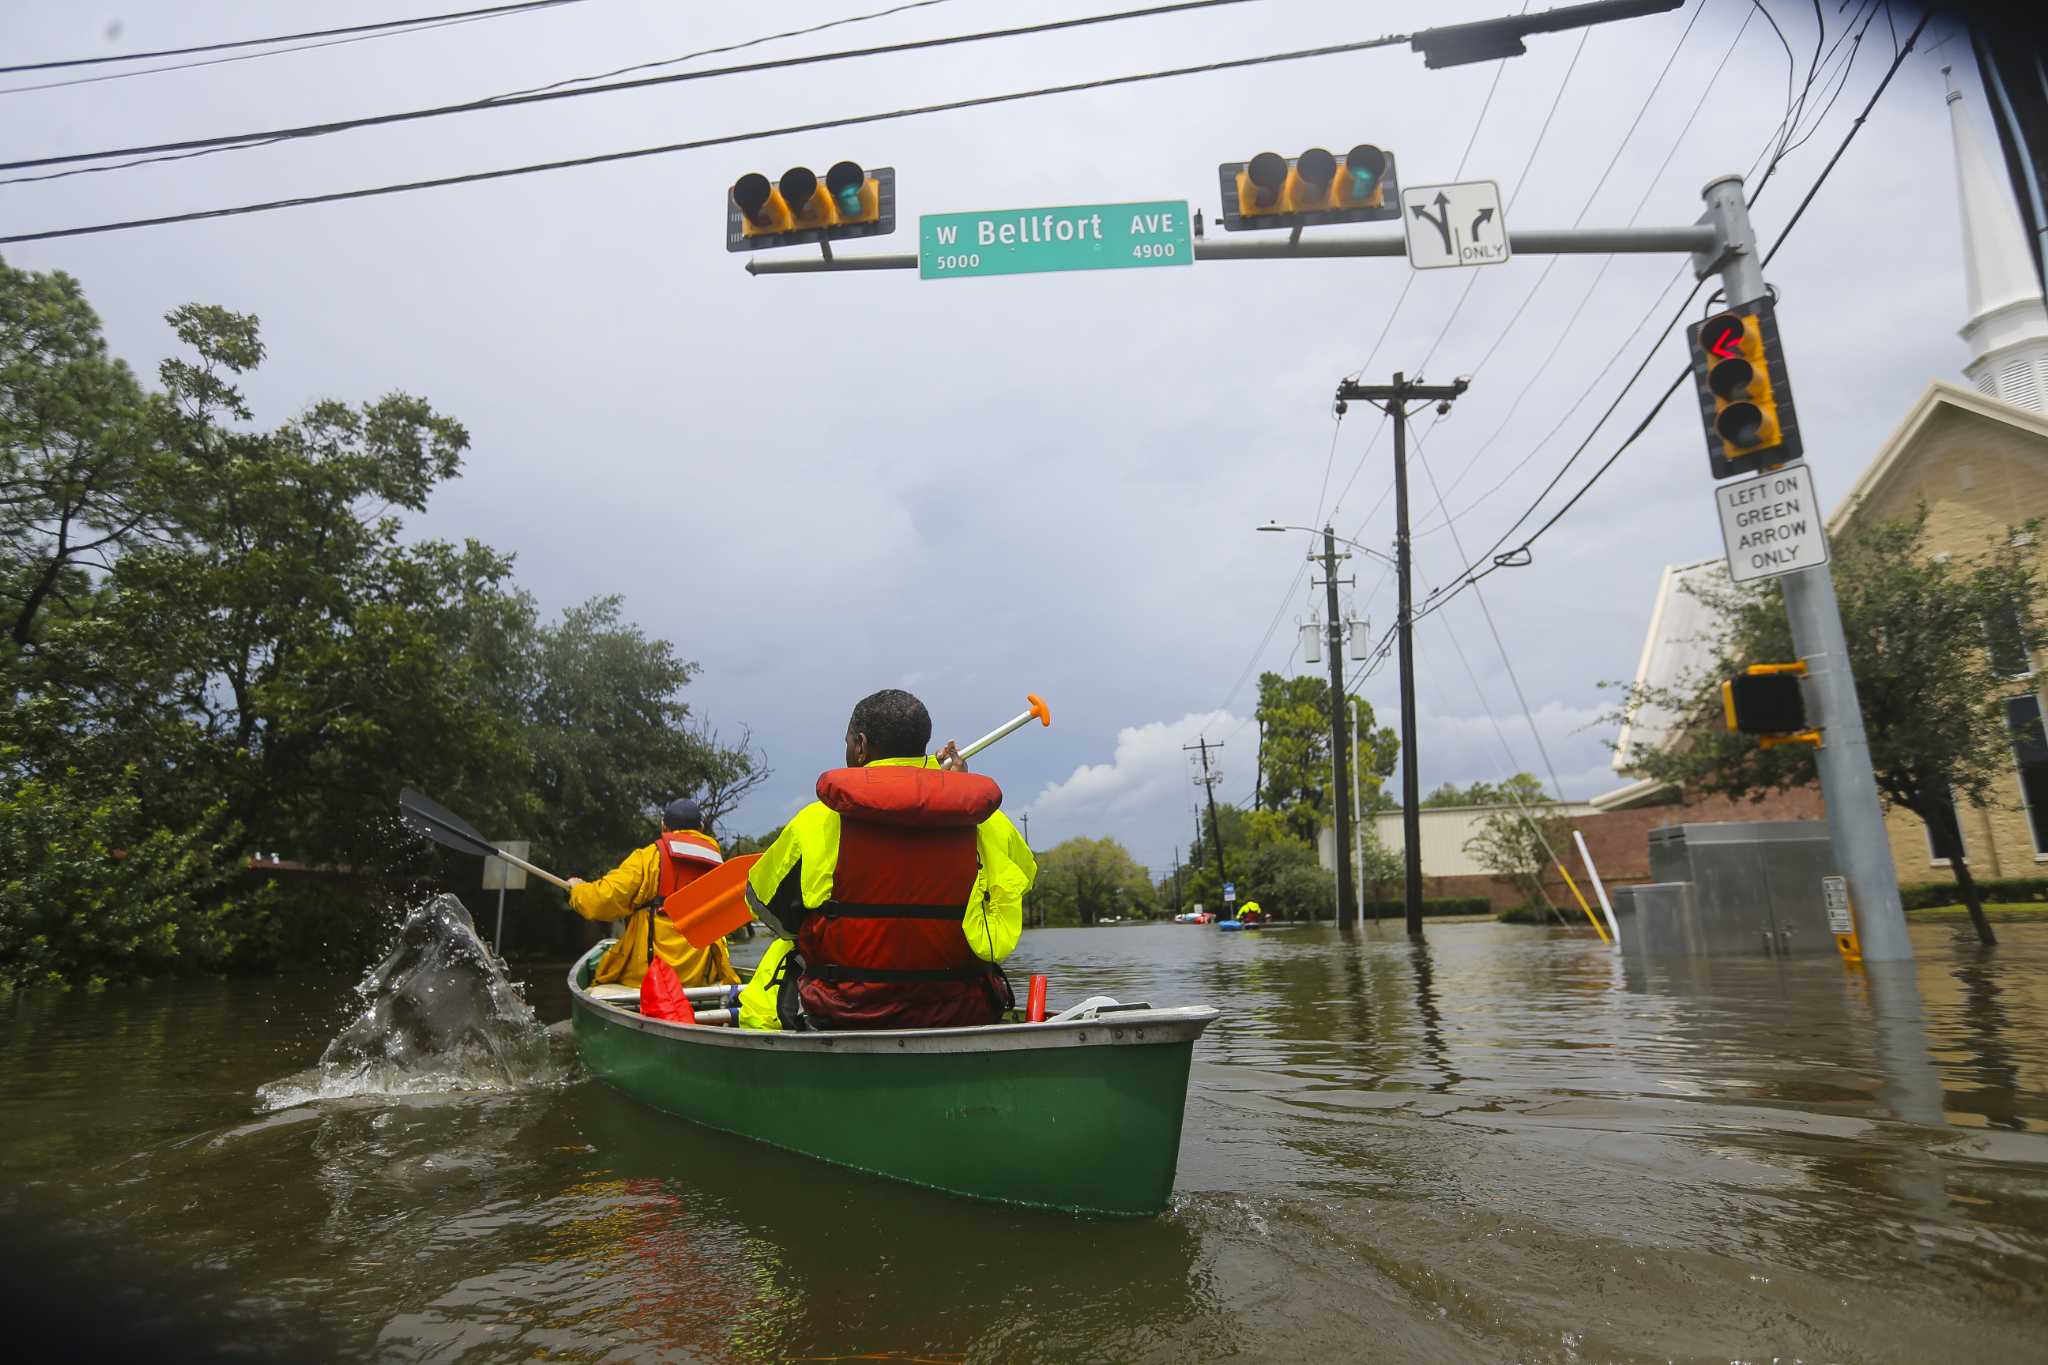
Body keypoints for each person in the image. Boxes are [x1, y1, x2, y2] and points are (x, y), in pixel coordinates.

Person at [736, 688, 1036, 1031]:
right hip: (962, 1012)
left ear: (860, 745)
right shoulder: (984, 821)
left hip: (845, 1014)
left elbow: (771, 914)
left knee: (787, 945)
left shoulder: (816, 821)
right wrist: (948, 794)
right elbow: (1022, 882)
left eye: (848, 742)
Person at [566, 797, 743, 991]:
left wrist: (578, 890)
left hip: (647, 979)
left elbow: (601, 900)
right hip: (700, 979)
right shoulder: (718, 865)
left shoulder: (648, 858)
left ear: (663, 826)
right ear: (701, 828)